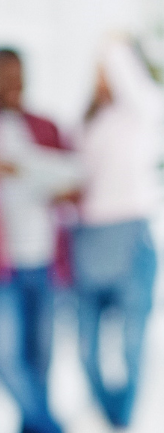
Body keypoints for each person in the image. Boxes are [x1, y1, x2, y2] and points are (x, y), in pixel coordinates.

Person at [74, 37, 164, 429]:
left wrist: (114, 42)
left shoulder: (144, 110)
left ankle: (123, 419)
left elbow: (136, 88)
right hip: (88, 238)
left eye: (108, 66)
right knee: (86, 348)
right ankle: (111, 412)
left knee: (132, 344)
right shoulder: (88, 120)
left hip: (131, 235)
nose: (102, 75)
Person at [0, 48, 81, 433]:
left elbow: (75, 185)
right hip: (4, 268)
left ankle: (33, 427)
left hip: (46, 260)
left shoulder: (45, 127)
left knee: (41, 359)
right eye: (5, 78)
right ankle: (51, 427)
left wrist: (49, 182)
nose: (13, 86)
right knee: (7, 358)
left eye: (18, 77)